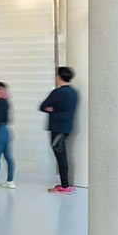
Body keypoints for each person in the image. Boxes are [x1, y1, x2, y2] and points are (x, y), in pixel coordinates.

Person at [40, 66, 78, 194]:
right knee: (62, 156)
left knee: (61, 157)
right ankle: (64, 184)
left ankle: (65, 187)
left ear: (59, 77)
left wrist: (52, 109)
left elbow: (43, 106)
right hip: (67, 128)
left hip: (57, 128)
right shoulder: (73, 92)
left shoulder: (57, 93)